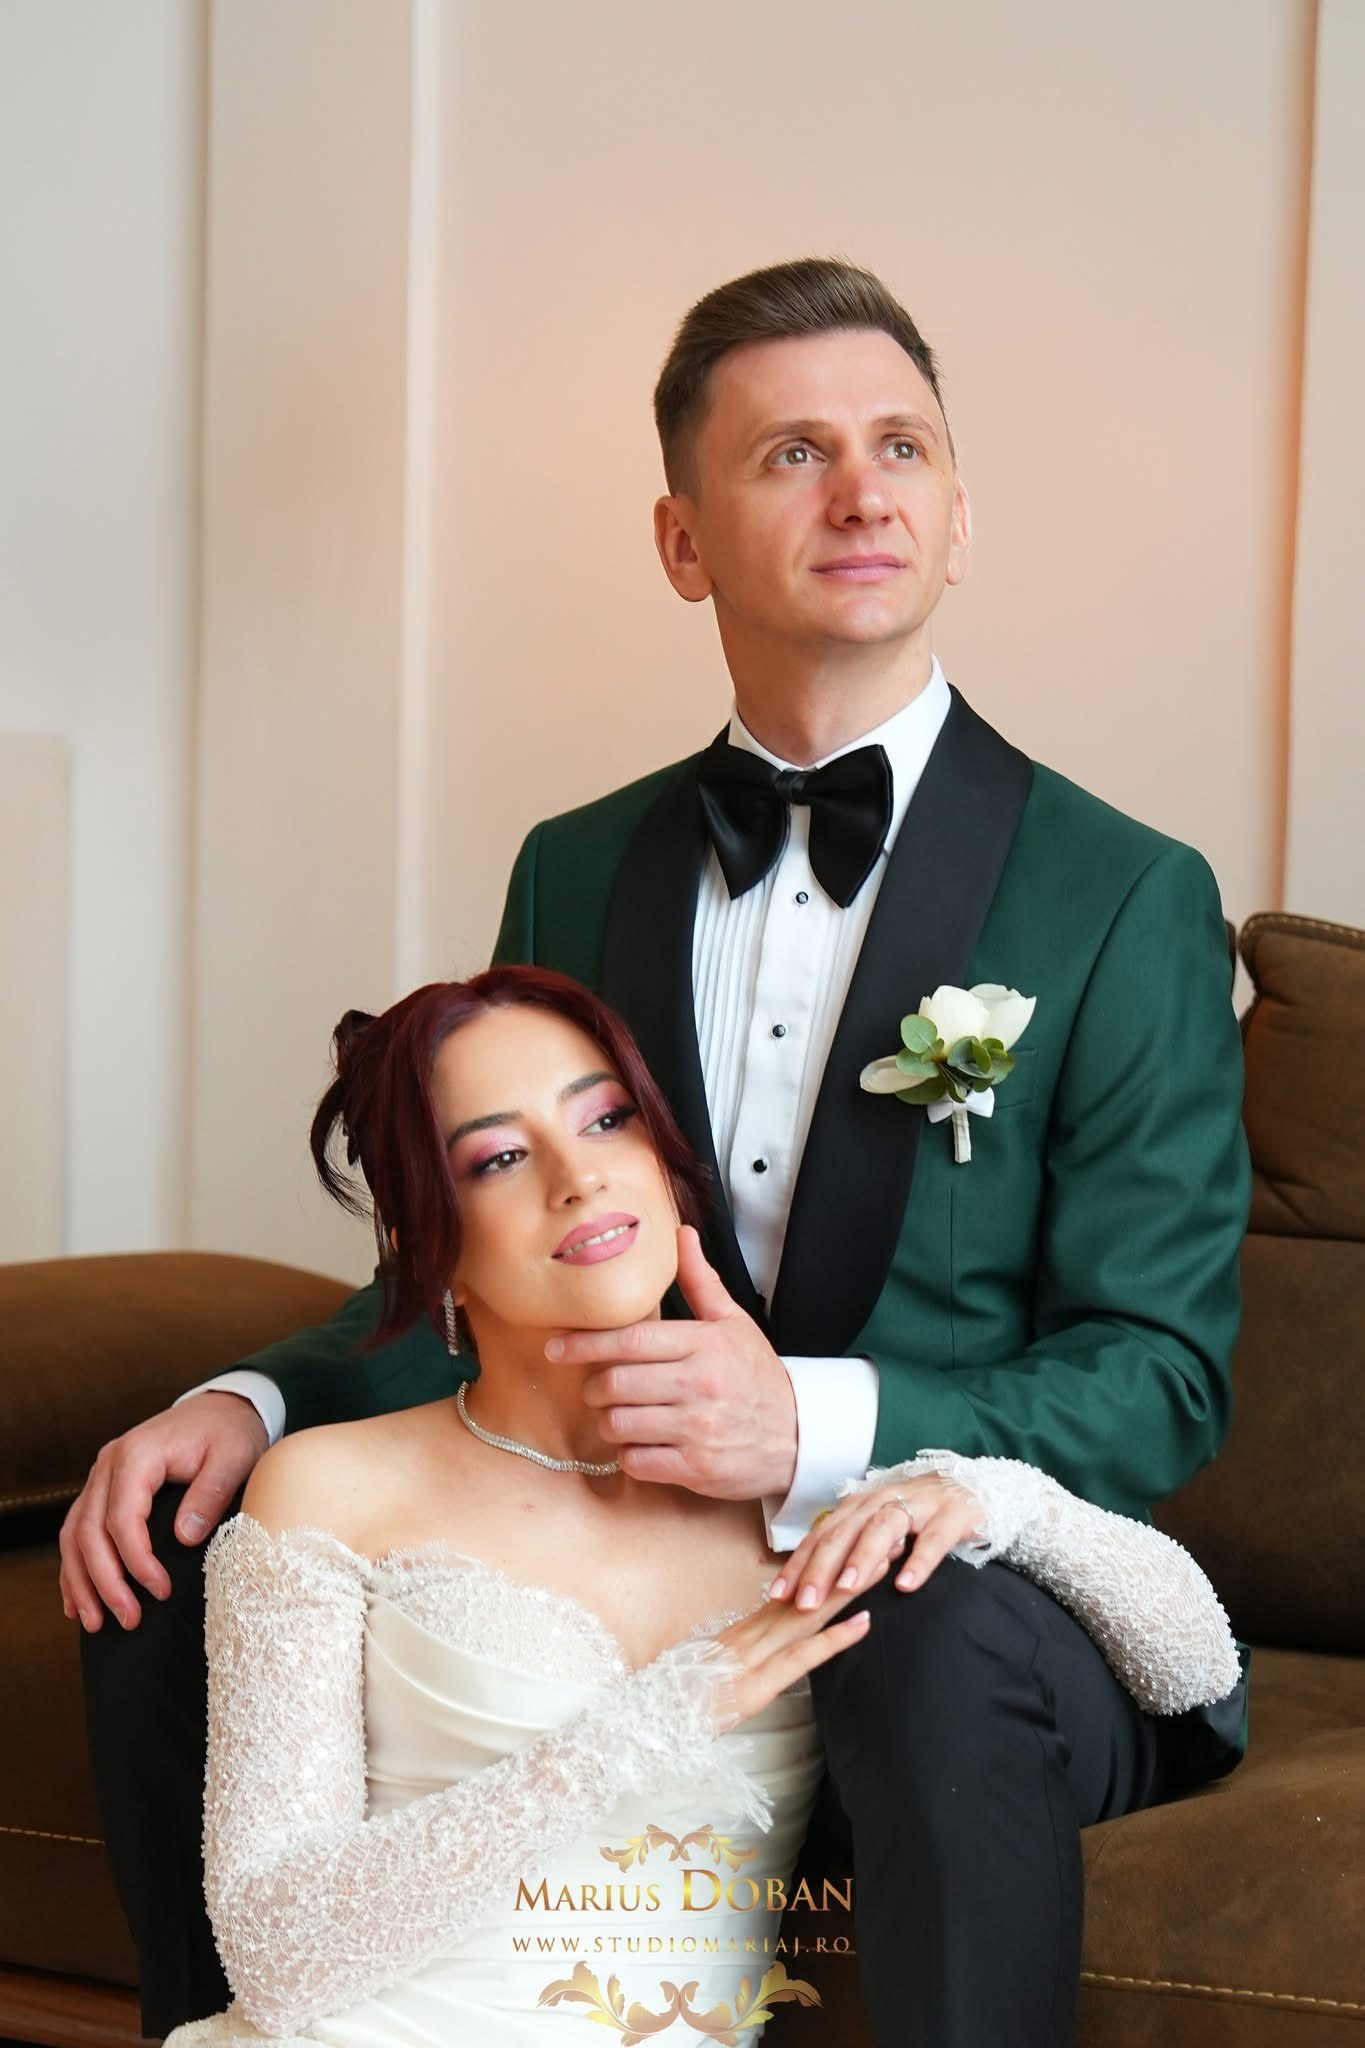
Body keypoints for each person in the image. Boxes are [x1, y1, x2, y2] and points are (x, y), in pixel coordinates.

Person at [63, 258, 1252, 2047]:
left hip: (959, 1590)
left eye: (901, 446)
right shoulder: (578, 863)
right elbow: (489, 1246)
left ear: (958, 516)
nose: (862, 493)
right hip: (611, 1540)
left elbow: (1159, 1377)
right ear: (682, 543)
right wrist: (252, 1397)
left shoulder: (1123, 892)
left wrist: (811, 1427)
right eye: (792, 453)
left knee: (918, 1632)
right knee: (162, 1538)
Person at [161, 963, 1239, 2046]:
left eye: (606, 1118)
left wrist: (998, 1496)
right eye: (499, 1157)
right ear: (425, 1244)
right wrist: (646, 1727)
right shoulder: (330, 1487)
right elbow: (273, 1949)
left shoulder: (799, 1491)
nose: (579, 1176)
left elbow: (1197, 1664)